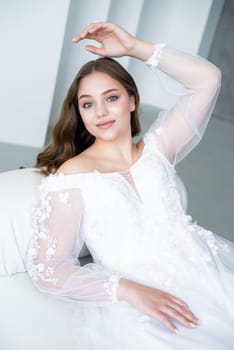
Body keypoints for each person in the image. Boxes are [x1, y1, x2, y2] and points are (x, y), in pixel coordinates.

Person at [27, 22, 234, 349]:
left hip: (209, 275)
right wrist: (127, 290)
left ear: (132, 101)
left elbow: (207, 80)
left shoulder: (158, 149)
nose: (101, 112)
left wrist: (135, 47)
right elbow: (48, 268)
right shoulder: (73, 174)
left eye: (111, 97)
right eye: (88, 104)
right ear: (79, 113)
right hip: (140, 299)